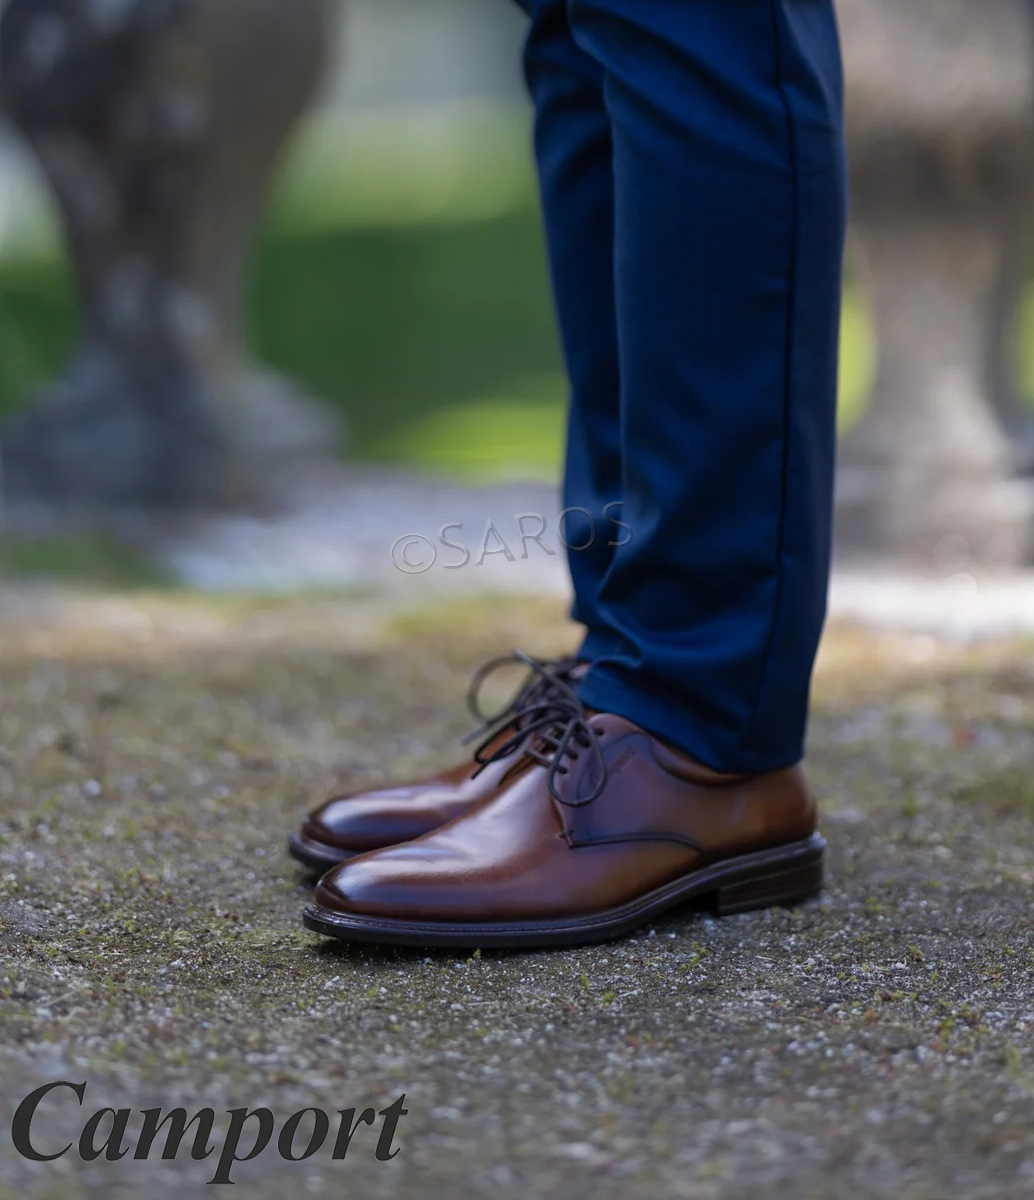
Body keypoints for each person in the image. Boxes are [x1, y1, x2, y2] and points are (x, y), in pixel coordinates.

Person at [295, 0, 848, 949]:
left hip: (712, 716)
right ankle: (625, 670)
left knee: (695, 21)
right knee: (584, 28)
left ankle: (700, 722)